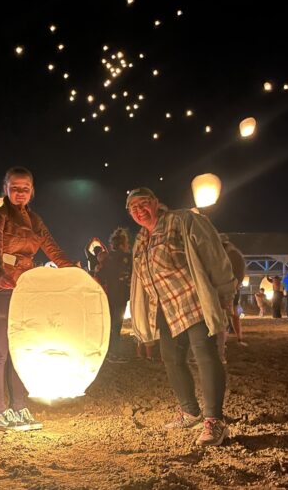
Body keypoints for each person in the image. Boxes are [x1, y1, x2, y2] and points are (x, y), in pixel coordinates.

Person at [127, 188, 236, 446]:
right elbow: (139, 278)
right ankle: (190, 412)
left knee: (205, 355)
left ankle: (215, 420)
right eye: (133, 207)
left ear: (156, 203)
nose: (140, 210)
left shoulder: (183, 221)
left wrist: (224, 291)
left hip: (193, 299)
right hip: (165, 307)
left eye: (144, 203)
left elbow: (213, 255)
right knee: (172, 358)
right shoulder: (141, 238)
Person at [0, 166, 77, 431]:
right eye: (15, 187)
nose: (20, 193)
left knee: (21, 350)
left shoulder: (35, 220)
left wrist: (75, 271)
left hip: (25, 289)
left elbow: (53, 249)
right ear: (6, 188)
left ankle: (19, 406)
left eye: (25, 188)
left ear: (32, 191)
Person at [96, 227, 132, 363]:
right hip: (121, 296)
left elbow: (100, 275)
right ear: (123, 244)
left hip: (109, 296)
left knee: (111, 325)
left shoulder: (108, 259)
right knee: (116, 326)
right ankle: (114, 354)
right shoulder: (127, 258)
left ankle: (109, 353)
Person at [219, 234, 247, 345]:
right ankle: (239, 338)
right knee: (234, 314)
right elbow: (241, 272)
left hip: (225, 289)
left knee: (223, 316)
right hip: (234, 288)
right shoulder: (237, 255)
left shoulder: (223, 255)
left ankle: (222, 342)